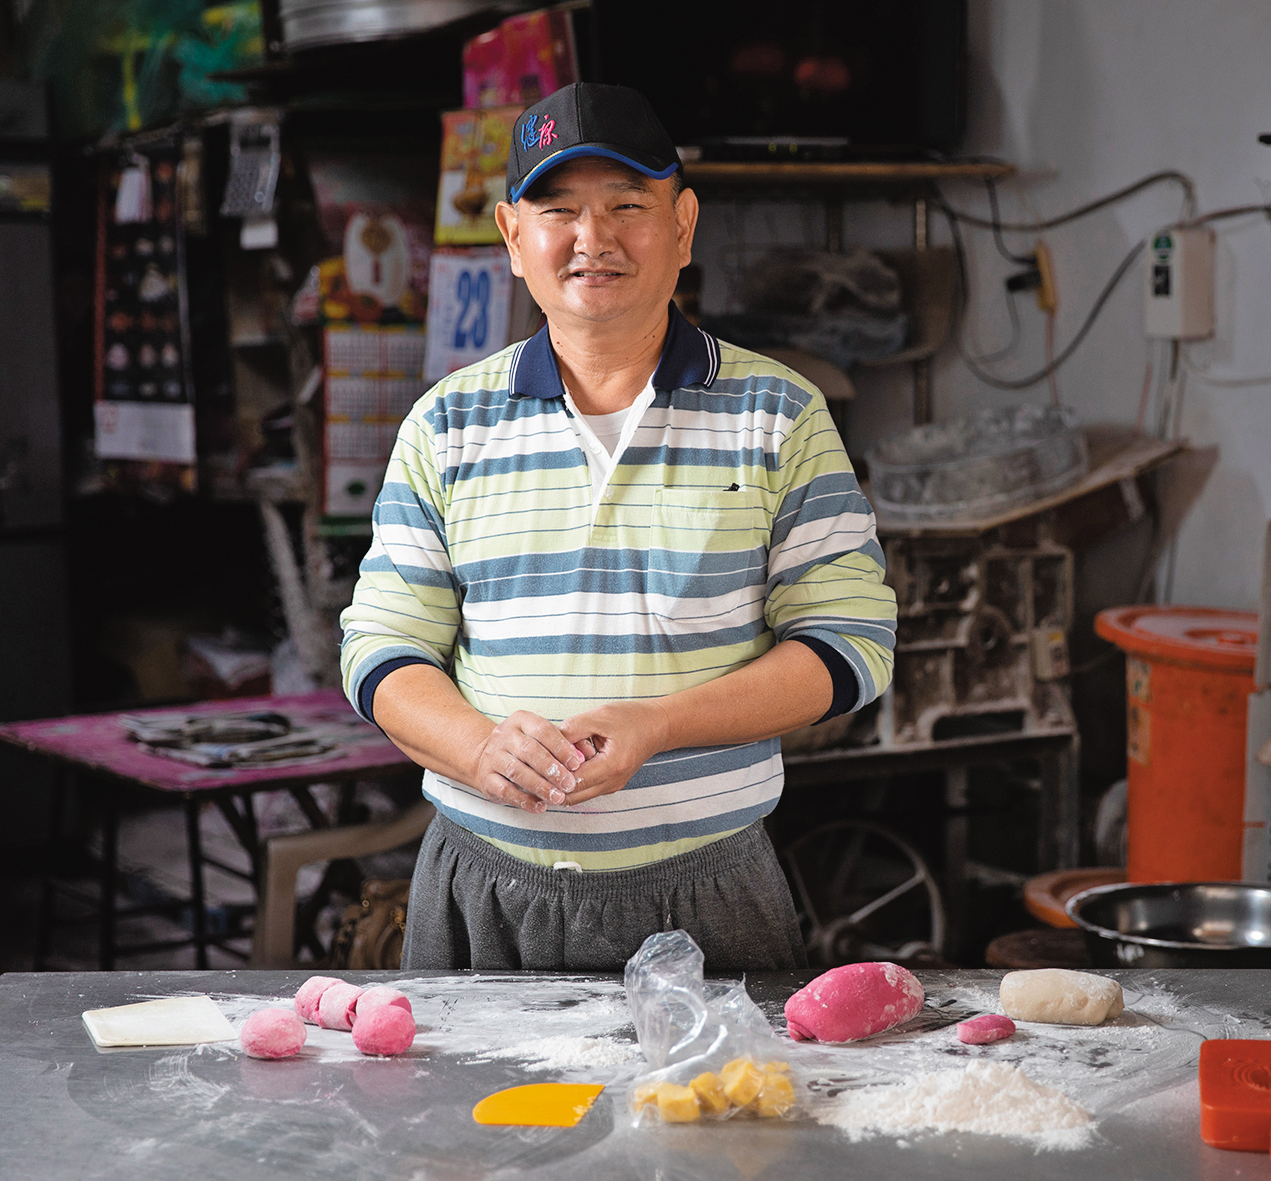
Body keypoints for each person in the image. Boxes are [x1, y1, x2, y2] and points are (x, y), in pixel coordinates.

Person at [339, 83, 897, 973]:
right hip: (483, 887)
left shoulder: (779, 415)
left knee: (718, 1113)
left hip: (708, 891)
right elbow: (380, 651)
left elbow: (850, 645)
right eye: (558, 211)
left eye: (626, 207)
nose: (592, 240)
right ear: (513, 237)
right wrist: (478, 746)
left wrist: (659, 725)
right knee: (463, 1116)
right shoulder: (446, 424)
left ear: (683, 225)